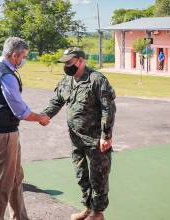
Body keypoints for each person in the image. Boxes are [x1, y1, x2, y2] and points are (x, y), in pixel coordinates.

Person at [42, 47, 116, 220]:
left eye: (70, 62)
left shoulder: (96, 80)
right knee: (81, 175)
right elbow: (57, 100)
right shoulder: (67, 80)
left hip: (95, 140)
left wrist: (106, 136)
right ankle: (88, 208)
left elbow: (108, 109)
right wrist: (45, 115)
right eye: (65, 63)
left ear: (81, 61)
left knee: (99, 177)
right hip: (76, 139)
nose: (66, 66)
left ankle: (97, 213)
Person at [0, 37, 50, 220]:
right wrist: (40, 118)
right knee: (3, 182)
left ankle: (20, 217)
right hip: (2, 134)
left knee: (15, 178)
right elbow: (20, 111)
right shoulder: (6, 75)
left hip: (5, 132)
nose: (24, 60)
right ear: (14, 55)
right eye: (23, 56)